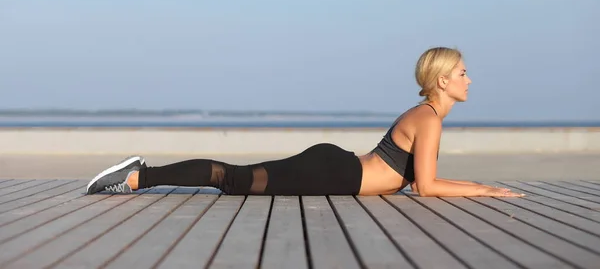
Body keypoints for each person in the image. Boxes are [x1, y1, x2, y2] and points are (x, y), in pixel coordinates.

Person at [86, 47, 524, 198]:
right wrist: (482, 189)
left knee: (234, 180)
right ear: (443, 80)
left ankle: (141, 175)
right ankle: (138, 177)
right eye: (463, 72)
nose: (469, 79)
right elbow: (426, 186)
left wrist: (475, 187)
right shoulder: (428, 117)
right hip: (334, 171)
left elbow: (414, 179)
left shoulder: (427, 117)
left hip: (337, 168)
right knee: (232, 179)